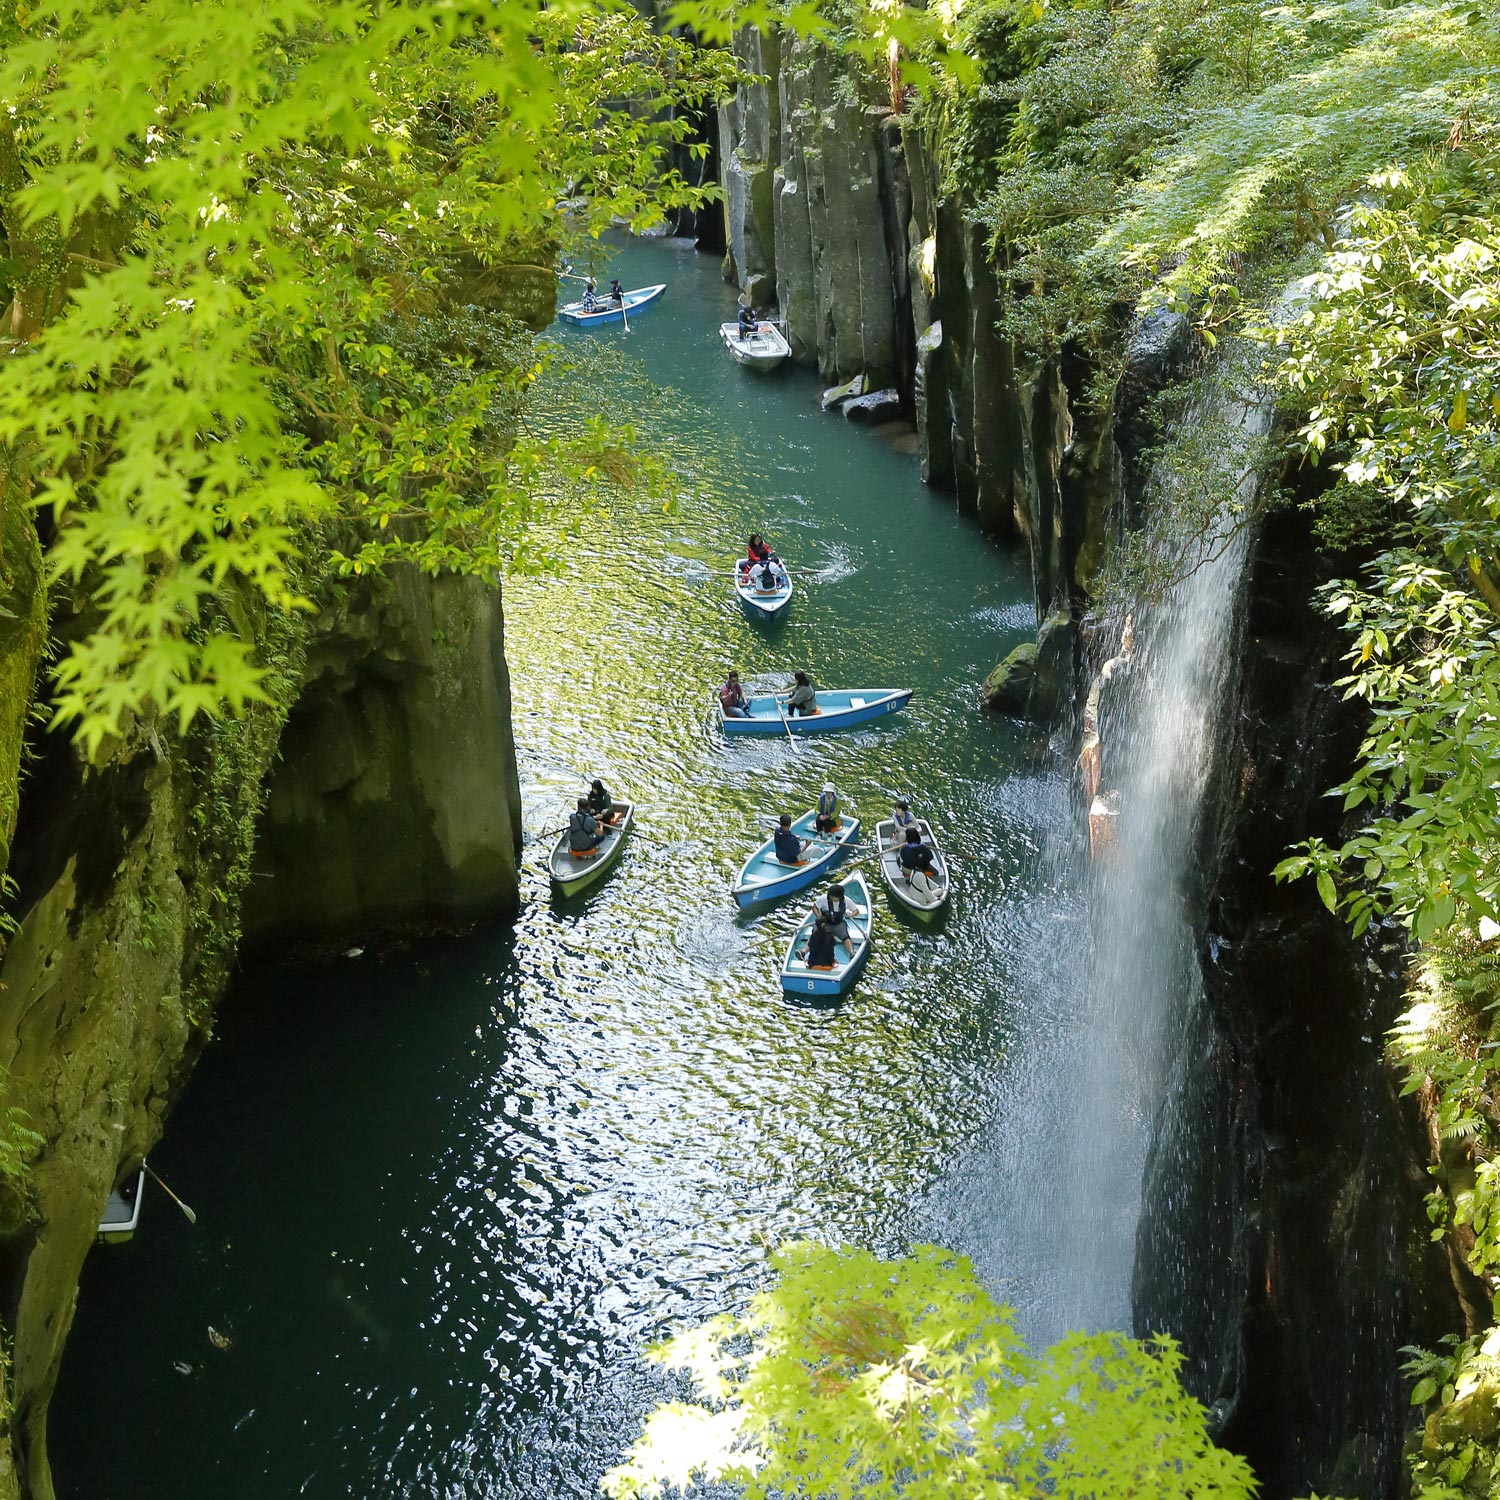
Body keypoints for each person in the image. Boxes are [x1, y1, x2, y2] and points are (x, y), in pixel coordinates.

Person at [813, 882, 862, 949]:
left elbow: (856, 911)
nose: (831, 897)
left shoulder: (846, 901)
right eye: (830, 895)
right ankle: (803, 952)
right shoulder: (823, 898)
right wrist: (819, 917)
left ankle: (852, 953)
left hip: (838, 923)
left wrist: (852, 915)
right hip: (824, 923)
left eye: (833, 896)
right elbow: (814, 907)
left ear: (839, 897)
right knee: (815, 934)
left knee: (845, 936)